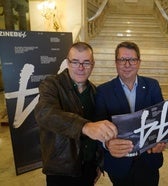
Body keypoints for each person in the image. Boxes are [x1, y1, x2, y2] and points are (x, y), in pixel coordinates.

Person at [95, 41, 168, 186]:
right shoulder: (103, 91)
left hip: (149, 160)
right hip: (119, 163)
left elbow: (162, 119)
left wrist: (163, 141)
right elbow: (98, 128)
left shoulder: (152, 85)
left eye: (132, 60)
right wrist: (107, 144)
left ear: (139, 62)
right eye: (122, 59)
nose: (127, 64)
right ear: (116, 62)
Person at [34, 42, 118, 186]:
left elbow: (98, 134)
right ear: (68, 62)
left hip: (88, 168)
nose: (80, 67)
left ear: (93, 64)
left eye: (86, 62)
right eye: (75, 62)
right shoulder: (51, 84)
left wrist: (98, 163)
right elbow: (45, 113)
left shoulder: (94, 91)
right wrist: (85, 126)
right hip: (61, 169)